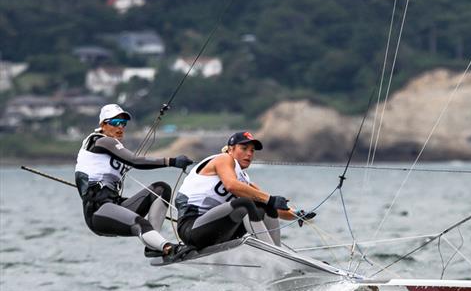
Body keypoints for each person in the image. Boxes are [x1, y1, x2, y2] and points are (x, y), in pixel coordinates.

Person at [75, 103, 194, 258]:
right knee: (141, 223)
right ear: (103, 124)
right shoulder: (102, 141)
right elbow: (135, 161)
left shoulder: (111, 147)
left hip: (114, 204)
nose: (120, 127)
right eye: (115, 123)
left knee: (161, 189)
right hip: (97, 211)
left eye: (123, 124)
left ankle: (154, 245)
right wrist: (171, 161)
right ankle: (167, 248)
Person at [175, 131, 315, 249]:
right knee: (245, 204)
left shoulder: (245, 181)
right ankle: (272, 255)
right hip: (192, 229)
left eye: (252, 151)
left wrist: (297, 214)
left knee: (264, 207)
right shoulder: (223, 159)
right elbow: (231, 186)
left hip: (218, 232)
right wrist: (271, 199)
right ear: (230, 149)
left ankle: (277, 252)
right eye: (243, 148)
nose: (249, 154)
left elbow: (273, 207)